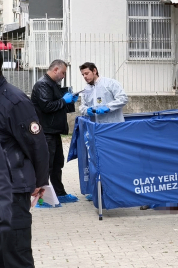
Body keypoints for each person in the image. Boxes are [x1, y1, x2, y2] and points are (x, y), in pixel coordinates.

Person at [0, 52, 49, 268]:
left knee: (14, 258)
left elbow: (37, 145)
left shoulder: (14, 101)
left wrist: (40, 181)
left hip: (10, 194)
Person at [31, 59, 79, 203]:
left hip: (53, 130)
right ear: (55, 70)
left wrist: (70, 102)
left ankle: (59, 193)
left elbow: (59, 105)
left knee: (57, 163)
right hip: (46, 131)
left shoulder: (52, 85)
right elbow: (47, 106)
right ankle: (43, 199)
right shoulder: (42, 84)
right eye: (63, 72)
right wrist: (64, 101)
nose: (64, 75)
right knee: (47, 165)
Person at [79, 62, 128, 201]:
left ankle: (118, 190)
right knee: (97, 161)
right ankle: (98, 189)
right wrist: (85, 110)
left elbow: (123, 98)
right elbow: (82, 106)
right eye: (83, 75)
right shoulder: (86, 89)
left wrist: (107, 107)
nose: (85, 77)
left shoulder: (110, 83)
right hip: (96, 130)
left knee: (115, 160)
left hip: (113, 129)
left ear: (95, 71)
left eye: (87, 73)